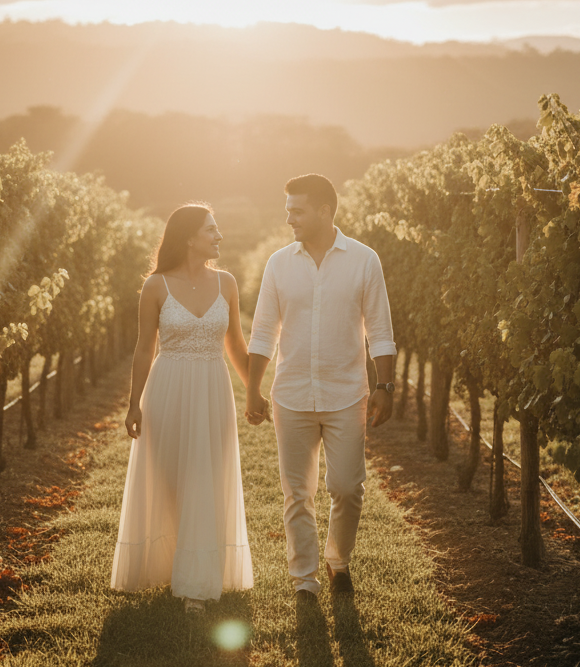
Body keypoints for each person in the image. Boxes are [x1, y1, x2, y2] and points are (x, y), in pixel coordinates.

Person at [246, 173, 396, 603]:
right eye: (288, 210)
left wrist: (384, 385)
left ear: (325, 211)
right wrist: (253, 388)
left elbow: (380, 329)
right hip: (291, 394)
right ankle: (305, 579)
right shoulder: (279, 264)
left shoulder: (364, 260)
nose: (289, 218)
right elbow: (263, 331)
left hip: (346, 393)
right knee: (298, 493)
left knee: (348, 487)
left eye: (297, 210)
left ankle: (338, 560)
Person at [111, 204, 257, 614]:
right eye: (211, 229)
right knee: (171, 479)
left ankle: (197, 584)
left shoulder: (227, 283)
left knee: (206, 479)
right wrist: (134, 403)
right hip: (167, 388)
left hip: (213, 388)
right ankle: (167, 565)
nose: (219, 236)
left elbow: (236, 346)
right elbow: (144, 349)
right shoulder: (155, 286)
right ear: (189, 237)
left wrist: (256, 392)